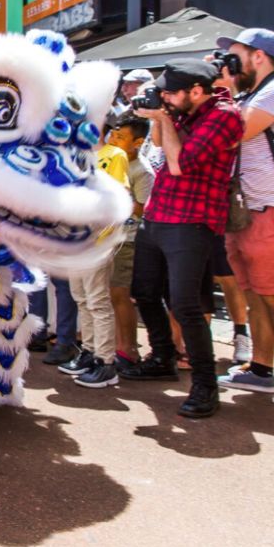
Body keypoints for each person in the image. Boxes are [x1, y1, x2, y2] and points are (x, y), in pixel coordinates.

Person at [120, 59, 243, 419]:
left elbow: (179, 162)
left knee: (186, 305)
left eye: (172, 93)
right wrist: (161, 117)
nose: (166, 98)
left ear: (197, 91)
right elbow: (160, 146)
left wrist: (162, 118)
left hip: (193, 221)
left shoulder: (225, 117)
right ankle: (162, 357)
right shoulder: (184, 110)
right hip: (159, 215)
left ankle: (206, 386)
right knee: (143, 291)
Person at [214, 28, 274, 404]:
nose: (228, 63)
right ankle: (260, 368)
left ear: (259, 56)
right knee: (255, 294)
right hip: (246, 214)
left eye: (234, 55)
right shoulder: (250, 94)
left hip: (273, 210)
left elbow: (231, 132)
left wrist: (220, 89)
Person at [58, 128, 129, 388]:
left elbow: (118, 198)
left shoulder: (115, 154)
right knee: (81, 298)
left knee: (98, 301)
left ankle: (105, 361)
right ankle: (88, 352)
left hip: (97, 241)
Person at [105, 115, 155, 370]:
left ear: (138, 142)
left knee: (120, 293)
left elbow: (143, 209)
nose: (114, 140)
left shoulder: (142, 171)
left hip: (128, 240)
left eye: (120, 138)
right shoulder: (109, 159)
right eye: (113, 135)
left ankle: (128, 349)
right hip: (108, 238)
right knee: (108, 294)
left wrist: (122, 195)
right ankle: (114, 346)